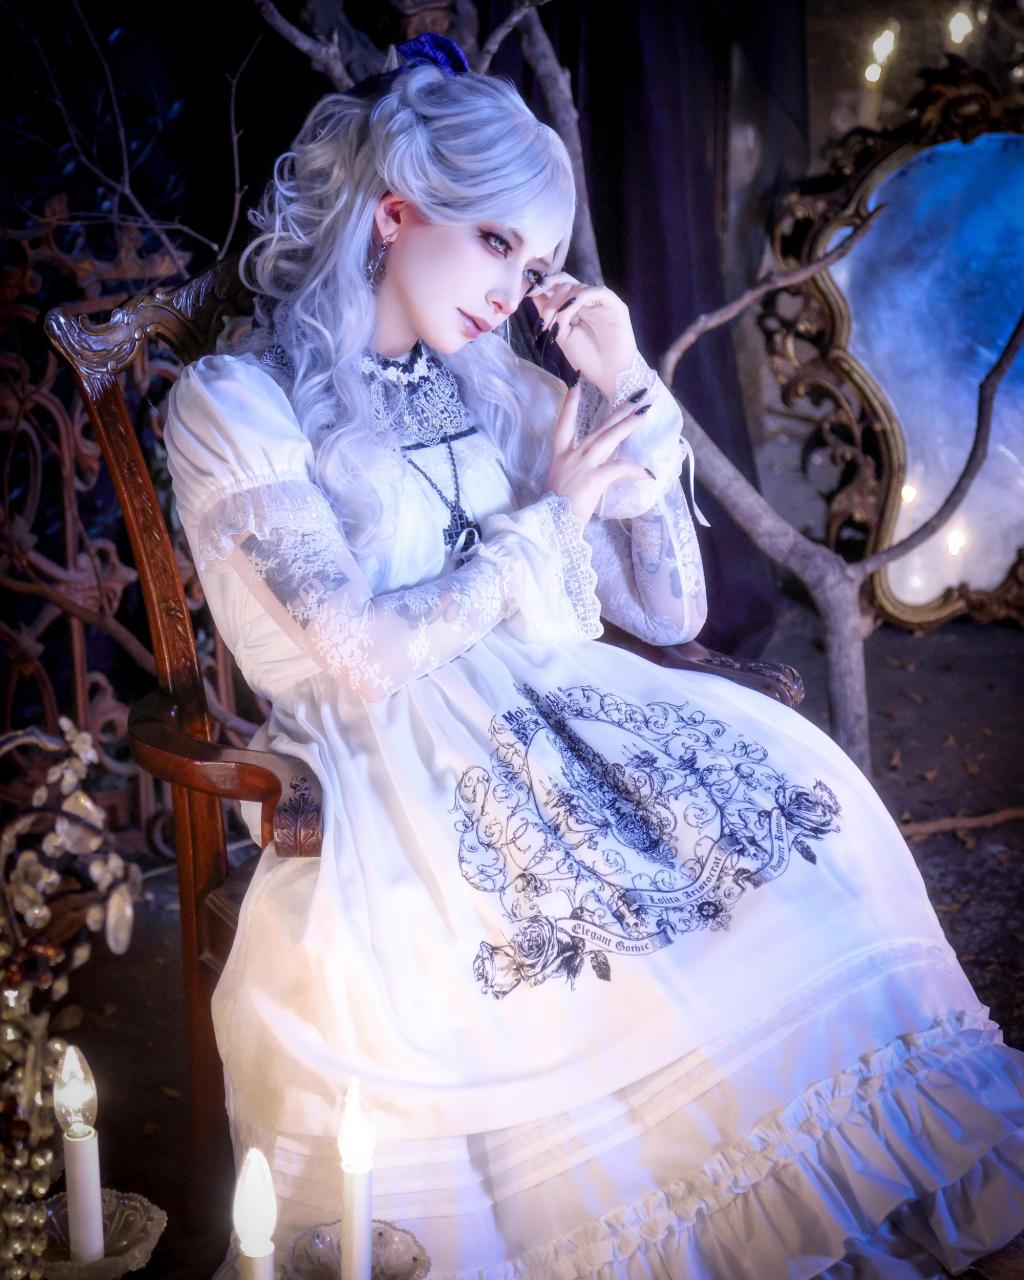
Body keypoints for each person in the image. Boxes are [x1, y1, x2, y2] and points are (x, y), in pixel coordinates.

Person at [163, 34, 1024, 1278]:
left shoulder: (495, 388)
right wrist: (547, 520)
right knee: (594, 955)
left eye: (536, 264)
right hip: (391, 760)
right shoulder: (239, 402)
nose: (510, 290)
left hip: (565, 712)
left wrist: (626, 384)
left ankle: (868, 1190)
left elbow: (668, 607)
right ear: (396, 214)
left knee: (805, 832)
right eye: (494, 242)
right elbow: (361, 653)